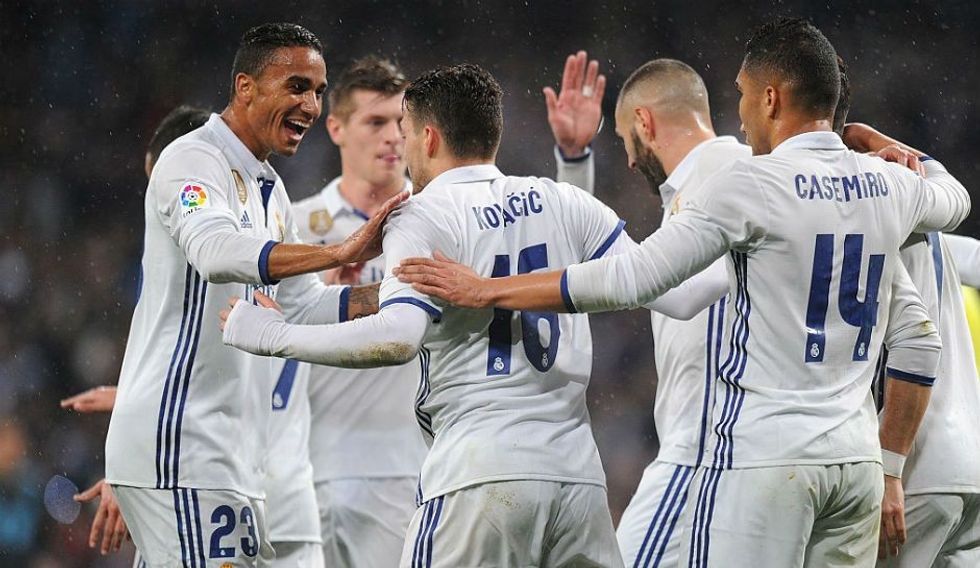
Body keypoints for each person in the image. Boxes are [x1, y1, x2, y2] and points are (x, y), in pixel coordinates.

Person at [393, 19, 970, 566]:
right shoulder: (890, 184)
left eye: (743, 96)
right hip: (856, 461)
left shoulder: (744, 184)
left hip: (761, 456)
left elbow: (635, 277)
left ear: (770, 98)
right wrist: (881, 143)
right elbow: (956, 199)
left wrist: (489, 289)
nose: (739, 118)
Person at [220, 62, 723, 567]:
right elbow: (682, 296)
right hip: (576, 481)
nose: (403, 146)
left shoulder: (421, 215)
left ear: (430, 137)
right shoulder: (565, 199)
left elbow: (397, 338)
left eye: (407, 131)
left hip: (478, 474)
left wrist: (274, 335)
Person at [102, 23, 402, 566]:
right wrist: (338, 251)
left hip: (226, 455)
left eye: (316, 90)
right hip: (182, 443)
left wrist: (403, 292)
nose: (309, 105)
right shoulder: (192, 161)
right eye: (296, 87)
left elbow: (303, 305)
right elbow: (216, 253)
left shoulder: (270, 188)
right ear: (245, 87)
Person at [60, 105, 211, 560]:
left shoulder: (211, 258)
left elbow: (203, 384)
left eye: (159, 181)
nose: (155, 197)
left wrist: (136, 471)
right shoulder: (254, 233)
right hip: (220, 483)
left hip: (203, 486)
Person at [841, 124, 980, 567]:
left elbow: (917, 345)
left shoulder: (869, 215)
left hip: (914, 468)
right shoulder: (930, 219)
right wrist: (872, 137)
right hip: (967, 465)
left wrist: (887, 467)